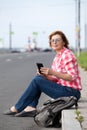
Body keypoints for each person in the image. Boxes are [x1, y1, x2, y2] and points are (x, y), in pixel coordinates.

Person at [4, 30, 82, 117]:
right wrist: (46, 76)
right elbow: (56, 79)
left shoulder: (67, 55)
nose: (55, 42)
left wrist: (52, 72)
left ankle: (17, 107)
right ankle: (31, 107)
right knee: (39, 78)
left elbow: (72, 77)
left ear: (64, 42)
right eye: (52, 40)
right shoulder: (58, 56)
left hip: (71, 93)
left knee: (38, 80)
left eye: (58, 40)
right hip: (64, 89)